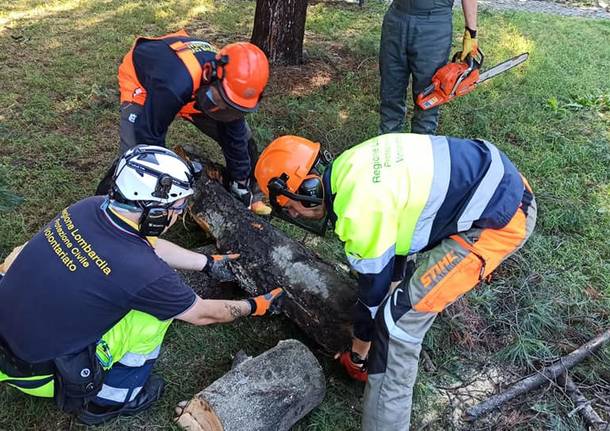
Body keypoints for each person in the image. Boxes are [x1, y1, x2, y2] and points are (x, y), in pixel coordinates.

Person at [254, 133, 536, 430]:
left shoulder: (358, 208)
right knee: (397, 302)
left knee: (397, 325)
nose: (295, 213)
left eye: (291, 207)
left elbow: (372, 296)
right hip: (497, 182)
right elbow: (398, 232)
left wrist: (359, 354)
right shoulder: (350, 165)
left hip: (501, 219)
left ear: (307, 191)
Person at [0, 145, 283, 425]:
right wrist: (255, 306)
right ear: (155, 213)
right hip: (39, 373)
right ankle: (111, 400)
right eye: (177, 207)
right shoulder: (145, 273)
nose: (179, 213)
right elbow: (202, 313)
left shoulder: (87, 209)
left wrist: (206, 263)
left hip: (8, 342)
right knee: (152, 318)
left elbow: (150, 246)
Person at [95, 29, 271, 214]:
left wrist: (240, 181)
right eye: (222, 103)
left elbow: (235, 135)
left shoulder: (234, 86)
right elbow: (150, 136)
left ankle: (251, 197)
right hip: (147, 82)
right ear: (210, 74)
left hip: (196, 90)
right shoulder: (174, 85)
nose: (225, 113)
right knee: (136, 157)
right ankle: (101, 209)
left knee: (245, 140)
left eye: (232, 108)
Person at [379, 0, 478, 135]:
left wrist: (471, 33)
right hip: (397, 19)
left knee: (429, 99)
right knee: (390, 93)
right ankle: (389, 149)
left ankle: (422, 150)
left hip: (434, 25)